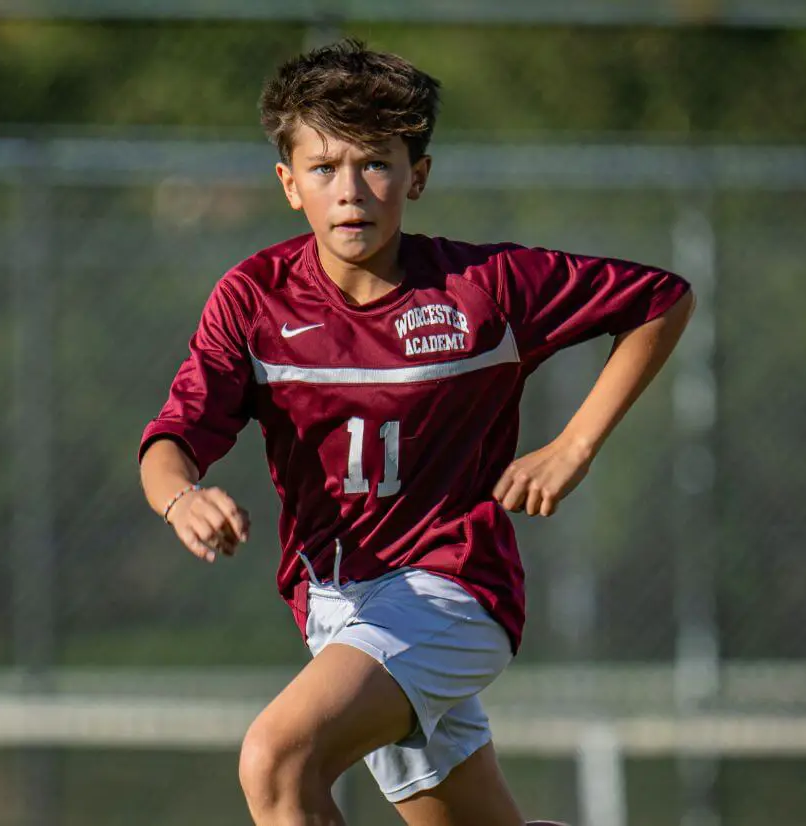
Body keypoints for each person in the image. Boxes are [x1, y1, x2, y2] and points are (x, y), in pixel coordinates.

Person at [138, 38, 694, 826]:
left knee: (277, 760)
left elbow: (659, 300)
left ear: (417, 175)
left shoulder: (483, 289)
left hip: (452, 590)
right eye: (325, 168)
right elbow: (172, 439)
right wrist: (180, 498)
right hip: (335, 605)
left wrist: (573, 447)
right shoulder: (254, 299)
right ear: (289, 183)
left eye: (376, 163)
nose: (351, 191)